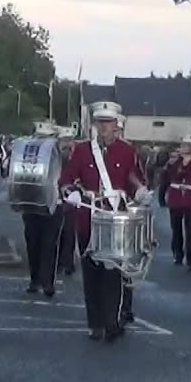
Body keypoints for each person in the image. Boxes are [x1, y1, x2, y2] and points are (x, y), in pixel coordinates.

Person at [58, 101, 148, 342]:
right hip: (89, 215)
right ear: (95, 125)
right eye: (101, 123)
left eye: (108, 123)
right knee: (91, 271)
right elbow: (66, 179)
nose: (104, 127)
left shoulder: (126, 151)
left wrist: (139, 191)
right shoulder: (83, 150)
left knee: (114, 271)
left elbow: (134, 178)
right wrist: (73, 191)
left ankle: (112, 321)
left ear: (115, 125)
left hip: (115, 216)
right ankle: (94, 323)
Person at [19, 121, 63, 297]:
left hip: (53, 205)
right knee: (33, 243)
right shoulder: (27, 156)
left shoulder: (61, 156)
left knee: (49, 244)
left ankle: (47, 282)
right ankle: (34, 279)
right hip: (32, 204)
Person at [164, 135, 191, 269]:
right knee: (176, 229)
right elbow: (170, 175)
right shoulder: (175, 161)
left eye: (188, 145)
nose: (185, 148)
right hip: (176, 198)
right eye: (184, 145)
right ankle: (177, 254)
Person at [55, 128, 79, 276]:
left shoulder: (75, 157)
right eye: (64, 140)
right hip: (57, 197)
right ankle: (59, 262)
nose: (67, 144)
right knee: (57, 232)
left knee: (69, 232)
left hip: (71, 198)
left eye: (69, 140)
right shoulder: (56, 157)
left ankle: (68, 262)